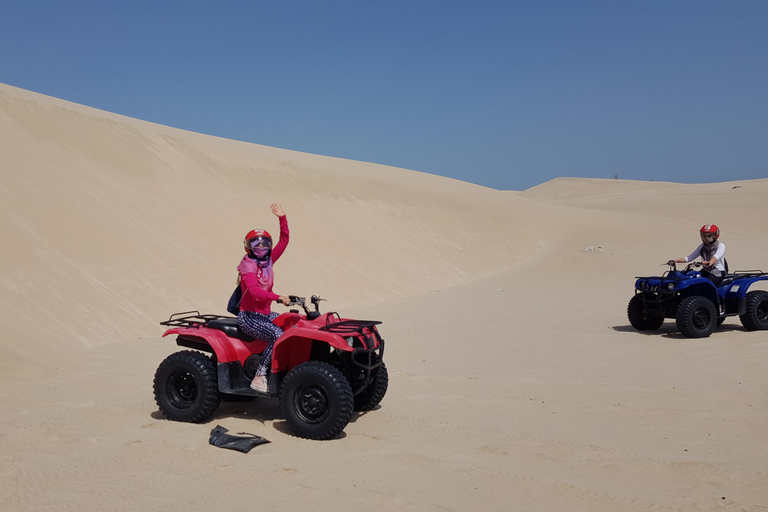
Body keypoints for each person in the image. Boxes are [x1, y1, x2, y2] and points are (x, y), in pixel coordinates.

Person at [237, 203, 290, 393]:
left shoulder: (268, 261)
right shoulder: (247, 265)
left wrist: (282, 218)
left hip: (264, 314)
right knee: (277, 335)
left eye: (265, 243)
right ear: (248, 247)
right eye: (256, 244)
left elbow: (284, 241)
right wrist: (278, 297)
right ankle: (259, 376)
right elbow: (254, 292)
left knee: (291, 323)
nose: (261, 247)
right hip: (249, 317)